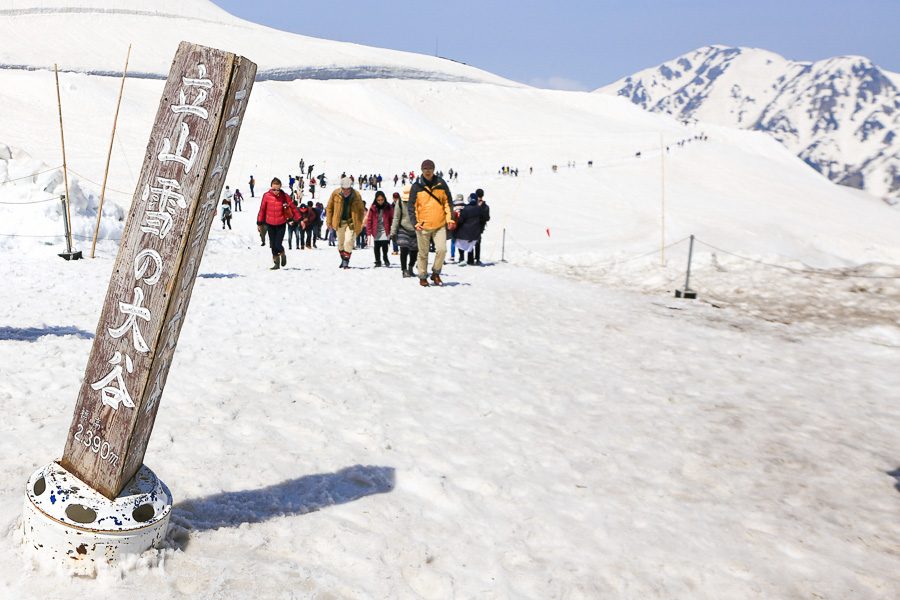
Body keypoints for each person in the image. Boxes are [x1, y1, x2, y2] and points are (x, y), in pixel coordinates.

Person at [409, 159, 453, 287]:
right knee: (423, 253)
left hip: (439, 224)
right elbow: (411, 206)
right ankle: (422, 276)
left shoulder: (441, 183)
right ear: (421, 170)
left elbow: (448, 202)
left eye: (430, 169)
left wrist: (449, 219)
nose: (427, 171)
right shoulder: (416, 186)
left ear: (434, 169)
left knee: (442, 250)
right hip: (423, 226)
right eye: (425, 169)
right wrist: (415, 222)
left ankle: (436, 273)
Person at [257, 177, 299, 270]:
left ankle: (282, 253)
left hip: (281, 223)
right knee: (272, 245)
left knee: (278, 244)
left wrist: (298, 218)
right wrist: (259, 222)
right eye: (274, 189)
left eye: (278, 189)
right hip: (270, 224)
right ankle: (276, 263)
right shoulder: (266, 196)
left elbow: (292, 207)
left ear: (280, 187)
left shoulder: (284, 196)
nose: (276, 191)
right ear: (271, 187)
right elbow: (262, 209)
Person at [325, 177, 366, 269]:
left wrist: (360, 223)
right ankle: (343, 258)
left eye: (348, 189)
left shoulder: (356, 195)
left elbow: (361, 209)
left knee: (349, 241)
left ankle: (346, 261)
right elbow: (329, 208)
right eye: (344, 189)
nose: (346, 191)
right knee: (340, 243)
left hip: (351, 222)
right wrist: (329, 222)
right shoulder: (335, 194)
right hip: (339, 222)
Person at [390, 187, 418, 278]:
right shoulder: (399, 202)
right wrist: (393, 232)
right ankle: (404, 270)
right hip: (403, 228)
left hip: (416, 228)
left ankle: (410, 267)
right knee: (404, 249)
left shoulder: (418, 201)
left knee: (414, 251)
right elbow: (396, 217)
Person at [366, 190, 394, 267]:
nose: (380, 201)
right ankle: (378, 260)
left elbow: (392, 217)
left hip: (385, 229)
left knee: (385, 246)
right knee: (377, 247)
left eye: (382, 200)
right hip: (376, 230)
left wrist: (392, 228)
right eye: (378, 200)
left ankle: (385, 257)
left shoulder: (388, 207)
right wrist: (369, 233)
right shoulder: (373, 207)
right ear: (376, 200)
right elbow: (369, 220)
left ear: (384, 199)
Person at [455, 194, 483, 265]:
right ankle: (470, 260)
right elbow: (483, 219)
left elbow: (460, 220)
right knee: (471, 245)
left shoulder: (465, 208)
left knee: (461, 243)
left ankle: (461, 258)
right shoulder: (479, 209)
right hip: (475, 232)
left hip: (464, 232)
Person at [474, 188, 490, 265]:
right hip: (480, 227)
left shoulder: (473, 204)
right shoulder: (486, 206)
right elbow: (487, 218)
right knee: (478, 243)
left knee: (471, 242)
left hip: (472, 225)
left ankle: (470, 259)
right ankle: (477, 259)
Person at [448, 193, 465, 262]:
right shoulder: (465, 206)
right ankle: (461, 257)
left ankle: (452, 255)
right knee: (461, 241)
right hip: (462, 225)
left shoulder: (453, 205)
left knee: (453, 241)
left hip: (454, 224)